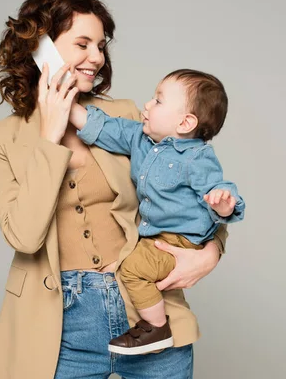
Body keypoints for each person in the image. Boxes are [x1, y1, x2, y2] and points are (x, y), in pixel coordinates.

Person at [0, 0, 229, 378]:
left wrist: (211, 250)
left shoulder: (131, 120)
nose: (96, 57)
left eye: (101, 45)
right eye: (83, 44)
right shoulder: (1, 140)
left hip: (146, 312)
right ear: (40, 46)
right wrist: (50, 134)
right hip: (59, 327)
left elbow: (198, 188)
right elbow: (25, 237)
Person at [68, 69, 245, 355]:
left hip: (181, 239)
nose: (147, 105)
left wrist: (224, 204)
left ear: (186, 122)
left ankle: (155, 327)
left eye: (158, 101)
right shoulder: (140, 138)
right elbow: (103, 127)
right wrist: (66, 106)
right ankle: (153, 322)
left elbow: (219, 187)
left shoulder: (197, 157)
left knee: (133, 269)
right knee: (132, 260)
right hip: (154, 234)